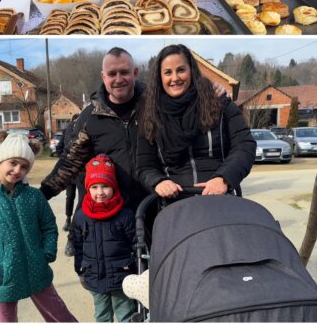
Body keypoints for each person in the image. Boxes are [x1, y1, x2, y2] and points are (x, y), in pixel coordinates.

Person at [0, 133, 77, 322]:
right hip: (3, 281)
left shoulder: (33, 197)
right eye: (13, 163)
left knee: (61, 317)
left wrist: (46, 254)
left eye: (24, 166)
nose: (17, 170)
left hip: (38, 274)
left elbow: (48, 227)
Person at [137, 44, 255, 198]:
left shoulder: (218, 102)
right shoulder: (150, 114)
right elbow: (145, 165)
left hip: (219, 199)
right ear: (160, 77)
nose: (175, 78)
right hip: (176, 205)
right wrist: (158, 182)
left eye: (181, 70)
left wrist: (224, 178)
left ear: (191, 70)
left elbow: (244, 145)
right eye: (167, 72)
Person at [41, 48, 149, 211]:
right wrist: (42, 195)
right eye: (112, 74)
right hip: (109, 213)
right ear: (103, 76)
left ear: (135, 72)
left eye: (124, 72)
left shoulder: (154, 108)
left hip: (152, 208)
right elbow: (71, 162)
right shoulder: (90, 116)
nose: (118, 79)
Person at [71, 154, 136, 323]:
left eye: (105, 186)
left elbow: (136, 244)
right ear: (88, 189)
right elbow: (78, 246)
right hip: (94, 276)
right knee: (101, 316)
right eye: (94, 187)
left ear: (114, 187)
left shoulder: (125, 215)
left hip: (122, 277)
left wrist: (137, 272)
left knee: (126, 315)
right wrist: (80, 271)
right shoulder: (80, 216)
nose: (100, 192)